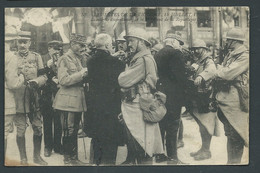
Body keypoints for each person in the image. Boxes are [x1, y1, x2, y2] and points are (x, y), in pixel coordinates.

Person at [118, 27, 164, 165]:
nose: (129, 44)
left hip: (138, 107)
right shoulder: (141, 58)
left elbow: (122, 80)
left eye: (131, 40)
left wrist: (123, 74)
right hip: (139, 105)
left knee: (143, 147)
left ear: (141, 42)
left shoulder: (142, 60)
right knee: (140, 145)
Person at [84, 33, 125, 165]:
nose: (113, 47)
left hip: (95, 104)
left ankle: (96, 162)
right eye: (112, 45)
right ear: (107, 46)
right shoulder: (117, 63)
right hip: (111, 105)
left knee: (97, 135)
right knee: (111, 136)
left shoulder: (90, 60)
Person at [212, 28, 249, 164]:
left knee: (236, 135)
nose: (226, 42)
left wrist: (219, 70)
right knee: (230, 134)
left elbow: (226, 74)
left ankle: (235, 164)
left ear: (235, 41)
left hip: (236, 101)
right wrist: (221, 70)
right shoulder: (232, 54)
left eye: (228, 39)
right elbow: (223, 70)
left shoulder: (245, 55)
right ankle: (231, 164)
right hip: (228, 100)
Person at [52, 33, 88, 166]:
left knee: (74, 130)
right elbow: (63, 80)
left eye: (84, 45)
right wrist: (82, 74)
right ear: (72, 44)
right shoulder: (64, 59)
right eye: (80, 45)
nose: (83, 48)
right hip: (67, 101)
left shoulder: (80, 58)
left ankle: (74, 159)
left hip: (77, 100)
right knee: (69, 130)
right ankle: (68, 160)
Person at [13, 31, 48, 165]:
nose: (22, 45)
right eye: (20, 42)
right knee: (21, 129)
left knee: (38, 127)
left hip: (34, 98)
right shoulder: (12, 57)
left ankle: (37, 156)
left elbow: (44, 76)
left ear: (29, 43)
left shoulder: (36, 57)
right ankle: (23, 158)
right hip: (19, 98)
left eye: (25, 42)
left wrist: (36, 81)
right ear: (17, 42)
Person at [154, 30, 187, 164]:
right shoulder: (176, 54)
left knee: (161, 124)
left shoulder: (158, 54)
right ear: (173, 42)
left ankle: (160, 155)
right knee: (173, 127)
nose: (180, 46)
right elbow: (179, 77)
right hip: (174, 96)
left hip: (161, 94)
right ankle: (173, 158)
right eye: (179, 43)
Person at [188, 39, 220, 160]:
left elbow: (211, 70)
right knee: (202, 125)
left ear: (205, 49)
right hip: (200, 97)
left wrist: (201, 76)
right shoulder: (198, 61)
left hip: (208, 98)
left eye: (198, 48)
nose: (195, 51)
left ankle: (206, 151)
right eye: (194, 49)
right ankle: (203, 149)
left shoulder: (208, 61)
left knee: (206, 125)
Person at [4, 26, 25, 163]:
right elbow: (12, 83)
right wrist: (21, 76)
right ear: (12, 42)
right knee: (4, 131)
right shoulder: (10, 56)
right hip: (7, 99)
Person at [40, 40, 63, 157]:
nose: (58, 51)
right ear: (49, 48)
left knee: (59, 120)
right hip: (47, 94)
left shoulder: (61, 58)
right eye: (56, 48)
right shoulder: (42, 58)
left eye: (59, 49)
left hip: (59, 92)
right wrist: (47, 67)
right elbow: (38, 74)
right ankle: (48, 147)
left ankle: (58, 146)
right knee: (48, 121)